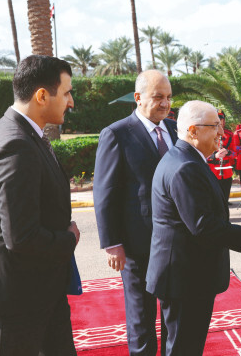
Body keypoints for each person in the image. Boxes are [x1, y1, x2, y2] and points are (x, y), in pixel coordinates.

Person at [146, 101, 241, 355]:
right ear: (193, 131)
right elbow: (202, 226)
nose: (222, 134)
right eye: (215, 127)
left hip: (185, 276)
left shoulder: (184, 158)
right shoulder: (186, 166)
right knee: (184, 348)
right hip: (185, 280)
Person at [0, 55, 80, 355]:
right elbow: (21, 237)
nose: (71, 103)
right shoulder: (15, 144)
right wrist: (70, 238)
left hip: (40, 294)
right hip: (20, 304)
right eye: (67, 93)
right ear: (42, 95)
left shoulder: (24, 134)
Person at [93, 70, 178, 355]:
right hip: (136, 245)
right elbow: (105, 193)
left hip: (176, 243)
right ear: (138, 98)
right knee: (141, 318)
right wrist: (112, 243)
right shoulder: (117, 133)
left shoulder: (177, 131)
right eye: (158, 97)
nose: (165, 103)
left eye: (168, 97)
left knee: (174, 316)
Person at [206, 109, 235, 201]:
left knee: (225, 200)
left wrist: (228, 152)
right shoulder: (206, 135)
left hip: (226, 172)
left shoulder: (229, 135)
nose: (219, 121)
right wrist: (214, 156)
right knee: (213, 200)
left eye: (221, 119)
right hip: (212, 171)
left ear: (224, 121)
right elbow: (201, 155)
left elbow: (235, 153)